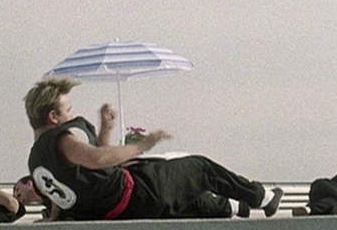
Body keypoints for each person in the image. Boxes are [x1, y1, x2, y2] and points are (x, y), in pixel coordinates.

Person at [24, 78, 283, 221]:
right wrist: (143, 144)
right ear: (53, 117)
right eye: (68, 111)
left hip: (121, 212)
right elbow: (98, 159)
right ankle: (262, 198)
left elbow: (71, 188)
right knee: (200, 170)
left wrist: (106, 129)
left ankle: (237, 208)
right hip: (136, 193)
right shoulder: (60, 140)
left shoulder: (35, 162)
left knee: (184, 200)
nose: (71, 116)